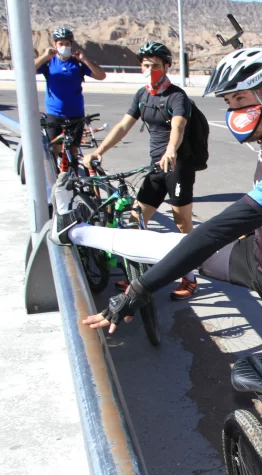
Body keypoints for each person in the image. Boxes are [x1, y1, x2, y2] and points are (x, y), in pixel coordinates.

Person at [51, 47, 262, 475]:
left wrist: (139, 291)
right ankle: (80, 230)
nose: (232, 114)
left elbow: (218, 229)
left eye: (239, 102)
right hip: (261, 260)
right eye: (228, 105)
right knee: (169, 251)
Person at [82, 41, 199, 300]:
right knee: (137, 218)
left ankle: (189, 278)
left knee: (182, 223)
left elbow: (178, 127)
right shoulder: (142, 95)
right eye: (146, 66)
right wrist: (98, 151)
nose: (150, 70)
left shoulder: (177, 96)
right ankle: (140, 273)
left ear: (167, 67)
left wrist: (171, 150)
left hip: (177, 167)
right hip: (155, 166)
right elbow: (123, 126)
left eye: (155, 66)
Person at [35, 28, 106, 160]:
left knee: (73, 150)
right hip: (54, 113)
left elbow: (101, 76)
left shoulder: (77, 63)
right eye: (61, 44)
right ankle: (55, 176)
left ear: (71, 44)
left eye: (67, 44)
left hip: (76, 113)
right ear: (55, 44)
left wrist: (84, 59)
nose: (64, 47)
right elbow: (28, 69)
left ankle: (71, 175)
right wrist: (45, 56)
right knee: (54, 149)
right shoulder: (49, 62)